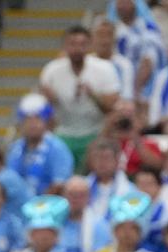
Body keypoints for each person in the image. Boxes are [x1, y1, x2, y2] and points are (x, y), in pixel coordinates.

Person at [39, 25, 121, 168]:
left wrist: (93, 95)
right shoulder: (51, 71)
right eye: (72, 44)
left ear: (90, 45)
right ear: (64, 46)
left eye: (82, 44)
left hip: (95, 131)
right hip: (63, 131)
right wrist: (50, 100)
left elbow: (111, 109)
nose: (77, 49)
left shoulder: (105, 69)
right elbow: (44, 111)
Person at [6, 94, 74, 197]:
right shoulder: (15, 148)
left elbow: (60, 184)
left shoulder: (57, 148)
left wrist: (36, 203)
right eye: (28, 120)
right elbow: (10, 179)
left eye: (37, 119)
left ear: (46, 123)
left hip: (49, 203)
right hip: (20, 202)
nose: (32, 124)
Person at [0, 196, 79, 252]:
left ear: (56, 237)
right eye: (38, 232)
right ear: (30, 236)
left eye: (48, 232)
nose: (43, 236)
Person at [90, 192, 160, 252]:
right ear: (115, 231)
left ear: (140, 233)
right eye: (122, 227)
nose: (127, 232)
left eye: (133, 228)